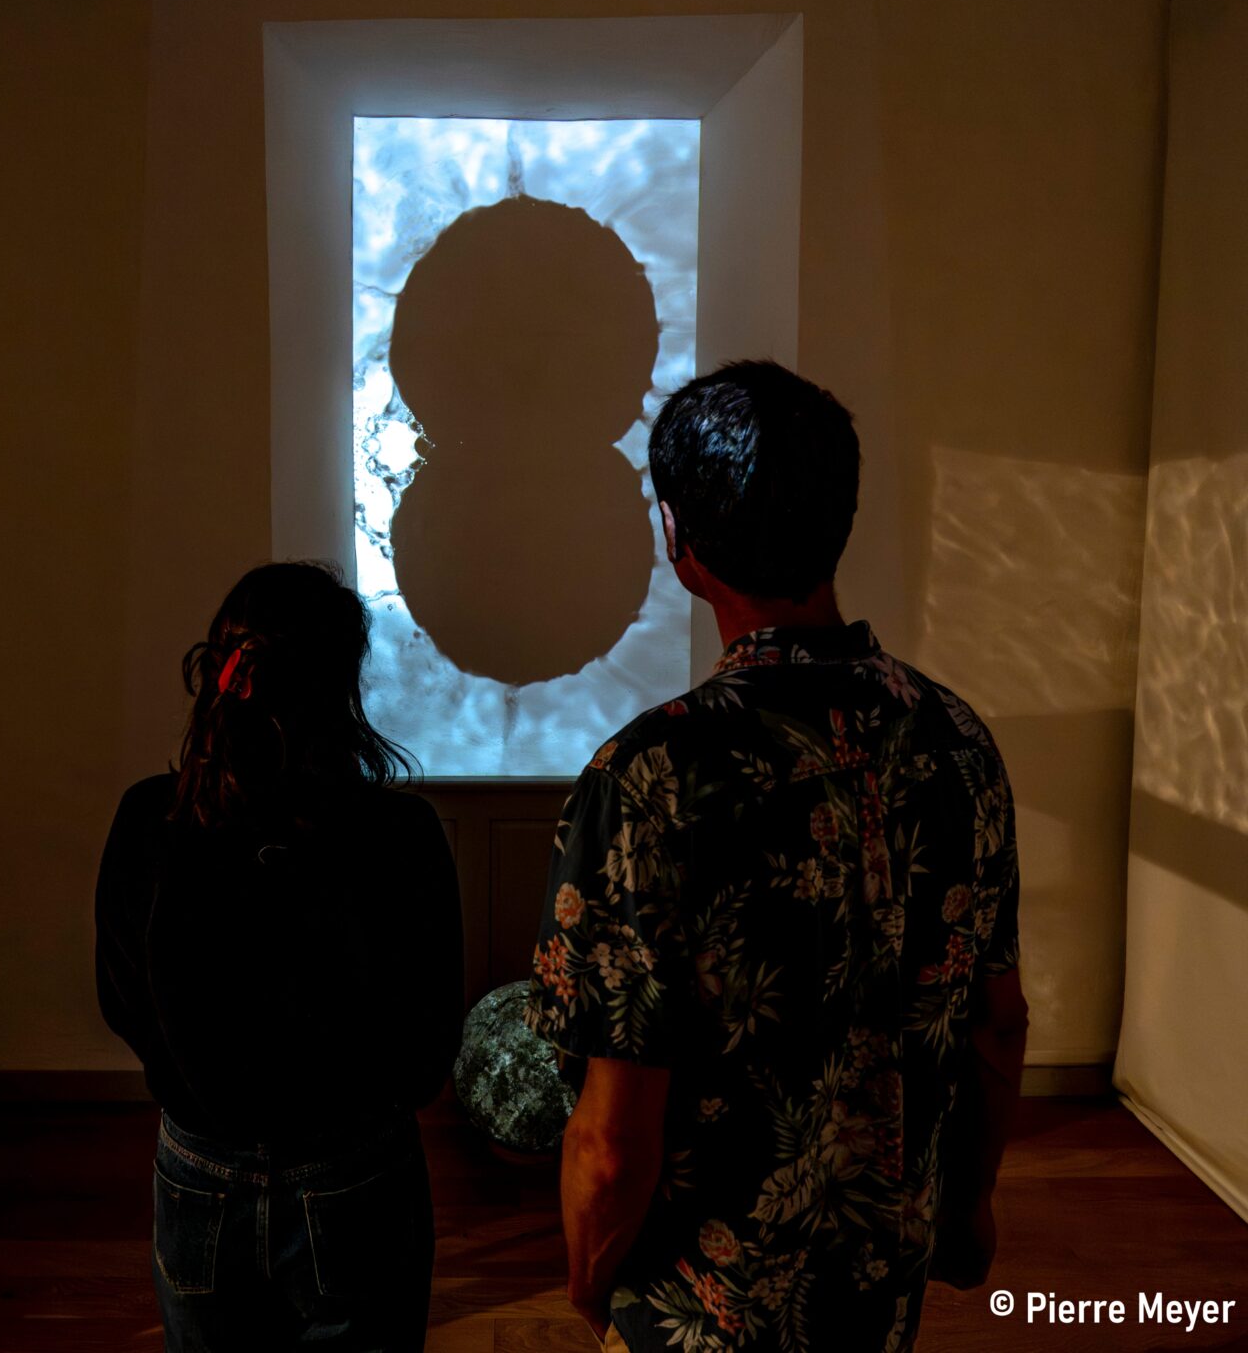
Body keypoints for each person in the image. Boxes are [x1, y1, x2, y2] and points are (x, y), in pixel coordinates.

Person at [526, 361, 1027, 1353]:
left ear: (680, 542)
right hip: (878, 1284)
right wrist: (967, 1204)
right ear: (837, 517)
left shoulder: (648, 774)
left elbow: (614, 1132)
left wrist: (588, 1279)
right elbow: (995, 1021)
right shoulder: (954, 738)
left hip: (697, 1307)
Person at [96, 561, 464, 1352]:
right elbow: (429, 1040)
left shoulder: (144, 822)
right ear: (344, 682)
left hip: (197, 1168)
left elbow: (122, 999)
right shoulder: (402, 836)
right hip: (357, 1172)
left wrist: (203, 1097)